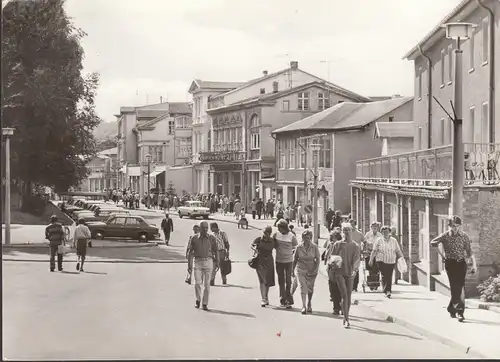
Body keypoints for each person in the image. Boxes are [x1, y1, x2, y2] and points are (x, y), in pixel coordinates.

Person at [430, 216, 477, 322]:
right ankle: (459, 310)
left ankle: (453, 309)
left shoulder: (464, 236)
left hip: (461, 263)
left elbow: (469, 251)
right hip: (450, 263)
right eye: (452, 226)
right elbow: (433, 243)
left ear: (460, 226)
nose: (455, 228)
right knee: (454, 286)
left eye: (457, 226)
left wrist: (474, 265)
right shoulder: (446, 235)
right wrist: (442, 256)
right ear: (450, 226)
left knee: (460, 287)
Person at [331, 223, 361, 328]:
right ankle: (347, 319)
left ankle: (344, 312)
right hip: (340, 272)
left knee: (348, 295)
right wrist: (335, 264)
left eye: (348, 230)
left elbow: (357, 259)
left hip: (350, 272)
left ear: (351, 231)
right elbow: (333, 258)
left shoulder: (355, 246)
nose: (347, 232)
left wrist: (355, 270)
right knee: (344, 294)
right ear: (342, 232)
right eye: (345, 230)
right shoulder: (338, 244)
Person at [187, 221, 219, 311]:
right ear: (199, 228)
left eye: (206, 228)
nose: (205, 230)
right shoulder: (194, 238)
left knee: (207, 284)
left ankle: (205, 303)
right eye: (203, 228)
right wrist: (189, 266)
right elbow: (190, 253)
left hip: (208, 261)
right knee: (197, 283)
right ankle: (198, 299)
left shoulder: (211, 238)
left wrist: (218, 261)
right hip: (198, 261)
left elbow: (216, 250)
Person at [369, 225, 403, 298]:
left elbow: (398, 250)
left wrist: (401, 258)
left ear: (389, 232)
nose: (385, 233)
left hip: (391, 261)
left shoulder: (394, 240)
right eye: (384, 232)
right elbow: (374, 250)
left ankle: (386, 290)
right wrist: (371, 259)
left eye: (387, 232)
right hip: (381, 260)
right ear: (382, 232)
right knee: (384, 275)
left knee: (389, 275)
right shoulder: (378, 240)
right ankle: (387, 291)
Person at [293, 230, 321, 314]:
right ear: (302, 238)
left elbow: (318, 259)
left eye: (308, 238)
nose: (306, 240)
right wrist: (292, 270)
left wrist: (315, 269)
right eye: (304, 238)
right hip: (300, 269)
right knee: (302, 286)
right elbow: (295, 259)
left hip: (311, 270)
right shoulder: (299, 247)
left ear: (311, 238)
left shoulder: (314, 247)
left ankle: (309, 303)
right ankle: (303, 306)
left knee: (310, 288)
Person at [274, 219, 298, 308]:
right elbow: (274, 245)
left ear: (284, 227)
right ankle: (282, 299)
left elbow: (296, 247)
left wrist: (292, 253)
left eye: (279, 228)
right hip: (279, 260)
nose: (278, 230)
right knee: (281, 280)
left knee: (288, 280)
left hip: (288, 261)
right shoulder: (276, 235)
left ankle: (288, 299)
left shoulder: (291, 236)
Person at [251, 226, 276, 307]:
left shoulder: (273, 240)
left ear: (270, 233)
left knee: (267, 281)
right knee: (262, 280)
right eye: (264, 232)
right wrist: (255, 248)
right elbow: (253, 245)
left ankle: (266, 296)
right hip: (260, 261)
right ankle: (263, 298)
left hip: (269, 261)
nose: (265, 234)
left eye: (267, 233)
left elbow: (279, 247)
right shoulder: (259, 239)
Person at [324, 229, 343, 314]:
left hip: (340, 268)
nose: (332, 239)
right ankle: (336, 308)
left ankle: (341, 306)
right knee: (333, 288)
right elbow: (327, 255)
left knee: (340, 288)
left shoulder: (342, 245)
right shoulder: (330, 245)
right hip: (331, 268)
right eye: (332, 237)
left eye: (334, 237)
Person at [349, 219, 365, 292]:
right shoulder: (347, 233)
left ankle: (355, 286)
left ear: (355, 225)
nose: (351, 226)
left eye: (353, 224)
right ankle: (350, 285)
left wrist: (362, 250)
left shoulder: (359, 233)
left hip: (357, 253)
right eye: (350, 224)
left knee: (356, 269)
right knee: (349, 269)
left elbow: (364, 241)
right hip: (348, 253)